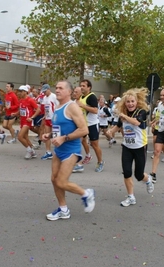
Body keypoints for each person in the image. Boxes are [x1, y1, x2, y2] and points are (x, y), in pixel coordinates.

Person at [43, 80, 95, 220]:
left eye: (60, 88)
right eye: (56, 87)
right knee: (54, 179)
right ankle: (63, 209)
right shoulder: (58, 107)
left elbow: (84, 130)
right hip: (59, 149)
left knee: (61, 181)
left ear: (69, 92)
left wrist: (64, 138)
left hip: (71, 150)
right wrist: (50, 135)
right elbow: (59, 130)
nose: (57, 90)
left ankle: (86, 193)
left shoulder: (72, 107)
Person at [107, 88, 154, 207]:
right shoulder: (123, 114)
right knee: (127, 172)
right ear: (125, 103)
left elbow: (137, 122)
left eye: (132, 101)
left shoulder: (141, 111)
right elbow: (117, 127)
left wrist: (124, 116)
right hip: (127, 147)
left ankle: (148, 180)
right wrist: (110, 132)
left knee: (139, 175)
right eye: (128, 102)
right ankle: (131, 197)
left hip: (139, 147)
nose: (130, 104)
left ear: (136, 102)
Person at [77, 79, 105, 172]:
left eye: (83, 86)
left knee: (94, 144)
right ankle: (86, 157)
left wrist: (82, 106)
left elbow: (95, 110)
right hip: (83, 124)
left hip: (92, 124)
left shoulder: (91, 97)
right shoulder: (81, 97)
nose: (81, 87)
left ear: (89, 87)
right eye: (81, 85)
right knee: (79, 141)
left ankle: (100, 162)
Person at [13, 85, 40, 159]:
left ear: (25, 92)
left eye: (21, 91)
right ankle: (33, 152)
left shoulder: (30, 100)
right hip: (22, 121)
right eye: (19, 92)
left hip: (27, 121)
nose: (19, 93)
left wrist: (32, 117)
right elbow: (21, 110)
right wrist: (15, 114)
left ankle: (29, 151)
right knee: (26, 138)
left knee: (20, 137)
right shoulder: (21, 100)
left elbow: (38, 109)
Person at [73, 86, 92, 171]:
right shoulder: (73, 102)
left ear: (81, 93)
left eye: (76, 92)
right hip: (76, 126)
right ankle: (88, 155)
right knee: (83, 142)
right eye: (74, 92)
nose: (74, 93)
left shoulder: (83, 102)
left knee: (76, 143)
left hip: (83, 127)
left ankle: (79, 164)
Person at [40, 84, 58, 160]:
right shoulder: (44, 98)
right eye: (43, 91)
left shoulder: (54, 96)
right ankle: (48, 152)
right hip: (47, 118)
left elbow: (58, 106)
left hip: (54, 119)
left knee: (56, 135)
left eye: (45, 91)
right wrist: (44, 116)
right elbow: (45, 108)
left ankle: (58, 152)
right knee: (47, 135)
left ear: (49, 89)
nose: (44, 93)